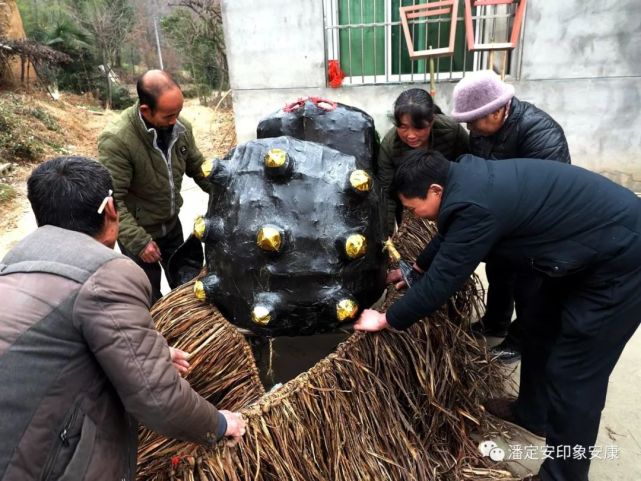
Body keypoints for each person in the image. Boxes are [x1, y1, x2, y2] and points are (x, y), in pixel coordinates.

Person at [355, 149, 641, 481]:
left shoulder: (475, 206)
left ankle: (564, 475)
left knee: (574, 375)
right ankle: (533, 413)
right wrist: (417, 268)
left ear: (434, 190)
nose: (414, 215)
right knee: (537, 326)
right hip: (580, 252)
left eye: (412, 207)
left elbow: (442, 283)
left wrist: (387, 318)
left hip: (621, 260)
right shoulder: (463, 183)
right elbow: (450, 235)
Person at [0, 157, 245, 481]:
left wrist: (150, 353)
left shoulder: (14, 264)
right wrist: (220, 423)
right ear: (111, 210)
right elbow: (158, 400)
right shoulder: (107, 273)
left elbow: (53, 350)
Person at [450, 70, 571, 362]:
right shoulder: (481, 132)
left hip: (538, 223)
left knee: (529, 284)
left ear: (497, 110)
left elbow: (550, 189)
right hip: (505, 220)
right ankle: (496, 322)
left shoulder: (540, 132)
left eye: (473, 120)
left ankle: (521, 339)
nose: (469, 128)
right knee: (499, 273)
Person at [98, 69, 211, 303]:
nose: (175, 120)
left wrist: (226, 189)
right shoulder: (118, 140)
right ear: (145, 110)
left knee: (189, 290)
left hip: (171, 226)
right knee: (150, 298)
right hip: (139, 231)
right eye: (169, 115)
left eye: (178, 112)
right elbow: (113, 200)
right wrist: (139, 242)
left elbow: (198, 166)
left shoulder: (181, 128)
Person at [378, 88, 469, 236]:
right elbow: (387, 195)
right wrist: (386, 235)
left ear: (432, 121)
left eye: (418, 127)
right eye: (403, 127)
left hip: (451, 204)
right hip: (413, 214)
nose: (411, 135)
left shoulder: (452, 131)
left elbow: (468, 168)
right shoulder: (389, 146)